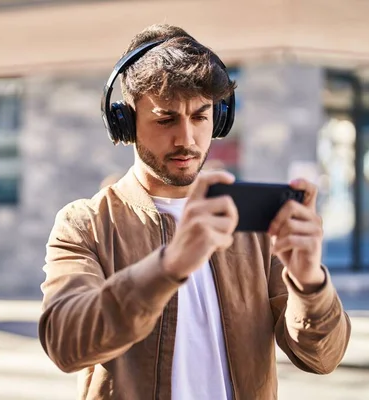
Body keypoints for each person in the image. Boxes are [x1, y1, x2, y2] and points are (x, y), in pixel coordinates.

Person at [39, 24, 351, 400]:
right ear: (125, 122)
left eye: (200, 117)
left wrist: (310, 281)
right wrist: (170, 265)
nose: (186, 138)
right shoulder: (86, 224)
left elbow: (323, 357)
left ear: (218, 120)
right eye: (166, 119)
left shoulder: (254, 224)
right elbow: (67, 343)